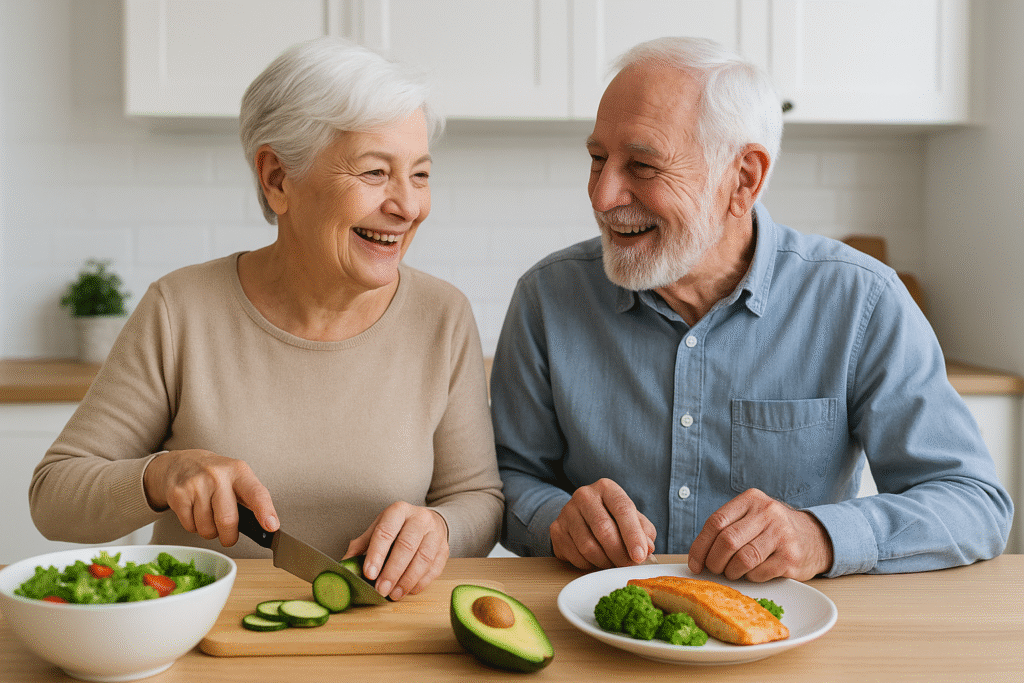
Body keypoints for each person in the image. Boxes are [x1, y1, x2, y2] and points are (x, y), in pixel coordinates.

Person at [490, 36, 1013, 581]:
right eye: (598, 159)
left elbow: (974, 504)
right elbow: (507, 480)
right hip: (601, 635)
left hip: (785, 639)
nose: (602, 197)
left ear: (744, 180)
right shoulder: (547, 298)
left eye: (642, 167)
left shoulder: (862, 301)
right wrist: (555, 520)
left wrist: (820, 537)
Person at [30, 37, 503, 601]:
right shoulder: (181, 310)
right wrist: (161, 475)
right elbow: (54, 496)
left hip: (383, 634)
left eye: (420, 175)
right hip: (208, 635)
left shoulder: (442, 316)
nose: (408, 206)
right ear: (278, 178)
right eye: (376, 172)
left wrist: (440, 528)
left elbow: (479, 499)